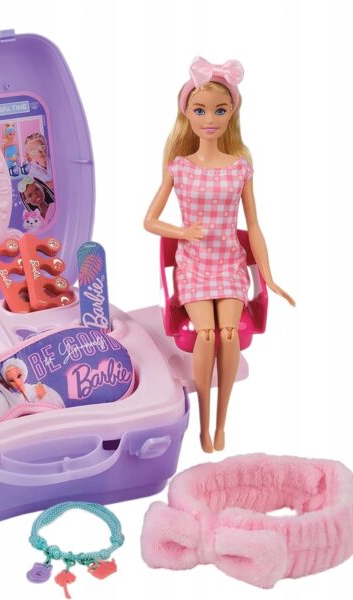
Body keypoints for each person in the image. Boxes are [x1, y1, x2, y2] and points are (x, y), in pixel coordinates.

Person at [143, 57, 295, 453]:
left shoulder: (239, 168)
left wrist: (269, 276)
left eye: (219, 110)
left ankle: (222, 422)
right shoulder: (179, 168)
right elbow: (150, 221)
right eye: (200, 110)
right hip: (193, 266)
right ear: (187, 114)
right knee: (206, 333)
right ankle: (203, 423)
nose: (209, 119)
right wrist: (183, 233)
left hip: (228, 264)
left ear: (231, 113)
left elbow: (253, 226)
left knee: (228, 334)